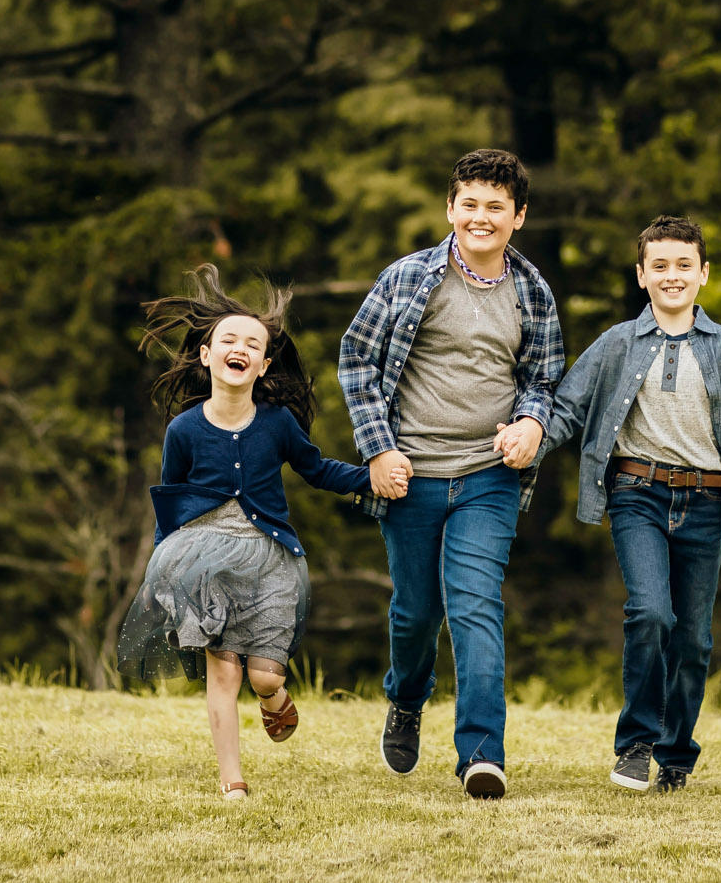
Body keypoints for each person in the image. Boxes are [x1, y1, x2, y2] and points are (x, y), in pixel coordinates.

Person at [541, 215, 721, 794]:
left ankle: (676, 754)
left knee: (693, 639)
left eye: (684, 265)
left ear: (703, 274)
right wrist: (528, 439)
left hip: (705, 504)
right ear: (641, 275)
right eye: (659, 265)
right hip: (637, 494)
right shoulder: (616, 343)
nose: (672, 275)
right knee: (651, 612)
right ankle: (635, 743)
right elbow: (567, 407)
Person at [117, 265, 395, 801]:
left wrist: (374, 477)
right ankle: (232, 782)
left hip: (270, 556)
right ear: (207, 355)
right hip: (203, 557)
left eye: (252, 343)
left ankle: (274, 699)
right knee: (223, 674)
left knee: (263, 677)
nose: (239, 347)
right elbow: (171, 500)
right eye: (228, 339)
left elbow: (317, 470)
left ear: (263, 365)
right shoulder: (184, 430)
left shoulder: (276, 423)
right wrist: (162, 568)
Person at [338, 148, 565, 799]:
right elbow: (357, 359)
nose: (481, 216)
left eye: (497, 206)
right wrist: (378, 449)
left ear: (518, 216)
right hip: (412, 473)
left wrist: (532, 424)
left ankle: (481, 755)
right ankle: (407, 698)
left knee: (475, 607)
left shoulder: (532, 291)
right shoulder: (409, 278)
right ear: (450, 208)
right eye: (470, 203)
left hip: (488, 475)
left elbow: (542, 377)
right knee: (414, 614)